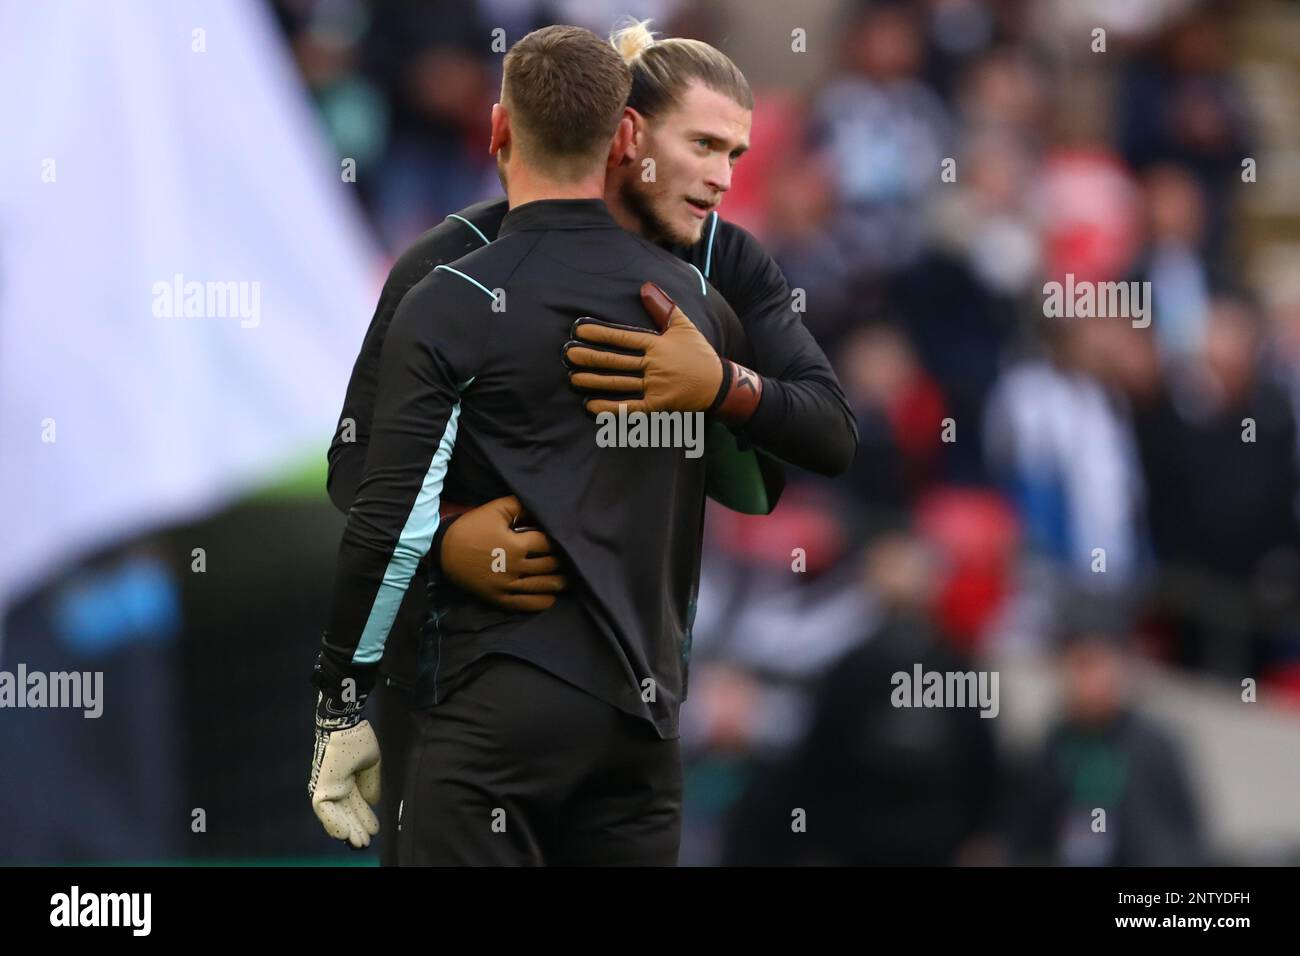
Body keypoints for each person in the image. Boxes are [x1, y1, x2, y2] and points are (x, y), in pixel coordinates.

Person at [325, 20, 857, 863]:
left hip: (637, 705)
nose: (721, 180)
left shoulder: (726, 266)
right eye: (704, 147)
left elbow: (827, 431)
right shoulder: (452, 263)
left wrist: (722, 385)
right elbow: (355, 464)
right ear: (627, 136)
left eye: (737, 157)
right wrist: (450, 538)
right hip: (449, 692)